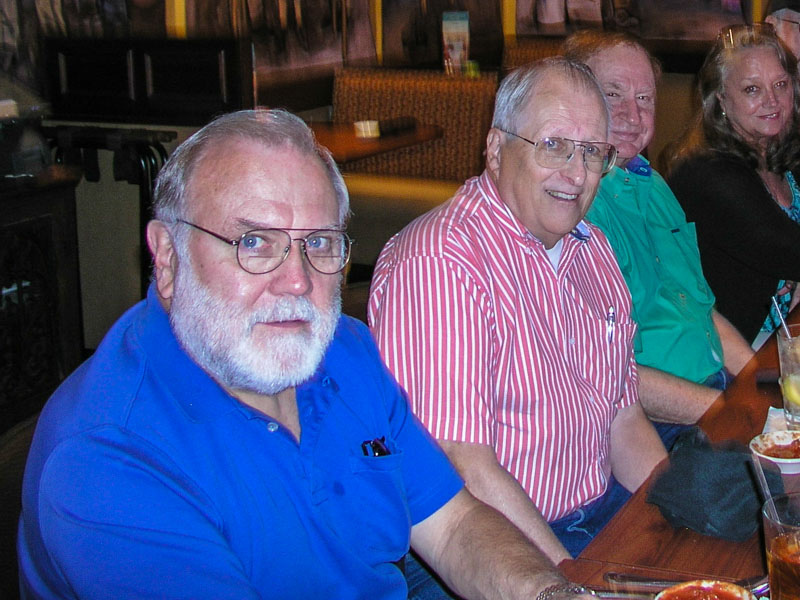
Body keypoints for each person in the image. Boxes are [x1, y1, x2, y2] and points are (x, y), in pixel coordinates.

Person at [18, 109, 591, 600]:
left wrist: (552, 593)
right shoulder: (106, 458)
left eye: (318, 243)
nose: (297, 281)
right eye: (254, 243)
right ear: (167, 259)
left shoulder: (343, 349)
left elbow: (454, 523)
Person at [368, 58, 667, 572]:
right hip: (499, 548)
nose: (575, 174)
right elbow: (462, 470)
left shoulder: (591, 248)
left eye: (593, 153)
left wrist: (678, 511)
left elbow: (624, 419)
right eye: (553, 146)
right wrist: (572, 579)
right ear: (495, 148)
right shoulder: (440, 264)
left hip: (599, 514)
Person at [563, 30, 754, 449]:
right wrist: (732, 414)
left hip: (712, 394)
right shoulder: (571, 208)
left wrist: (757, 387)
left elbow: (703, 314)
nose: (633, 115)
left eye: (645, 98)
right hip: (655, 425)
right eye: (613, 94)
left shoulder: (654, 185)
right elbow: (606, 375)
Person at [666, 24, 800, 347]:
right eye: (752, 90)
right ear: (722, 99)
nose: (772, 100)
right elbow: (786, 249)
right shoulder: (706, 172)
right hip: (742, 354)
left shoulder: (782, 150)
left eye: (780, 84)